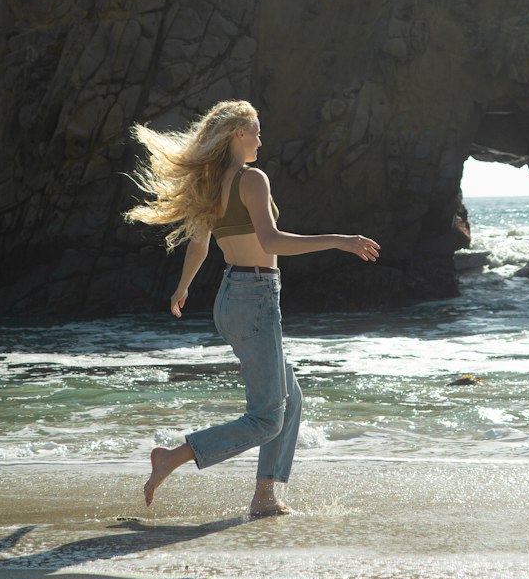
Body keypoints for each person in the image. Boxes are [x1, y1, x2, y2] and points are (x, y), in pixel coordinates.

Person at [125, 99, 380, 516]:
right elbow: (272, 241)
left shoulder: (212, 183)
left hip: (230, 299)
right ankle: (172, 456)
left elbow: (199, 245)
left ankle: (265, 495)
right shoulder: (252, 179)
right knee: (266, 418)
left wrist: (182, 289)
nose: (261, 139)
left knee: (290, 400)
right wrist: (340, 240)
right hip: (256, 295)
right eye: (256, 131)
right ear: (238, 135)